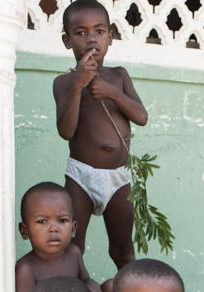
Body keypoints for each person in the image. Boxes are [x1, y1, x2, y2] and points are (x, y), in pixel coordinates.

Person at [54, 0, 148, 270]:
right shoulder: (63, 82)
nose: (91, 38)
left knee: (122, 248)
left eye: (98, 31)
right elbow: (66, 131)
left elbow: (141, 117)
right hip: (81, 176)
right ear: (67, 40)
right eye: (80, 33)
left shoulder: (119, 76)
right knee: (74, 247)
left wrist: (113, 93)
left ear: (111, 36)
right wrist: (77, 86)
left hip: (119, 177)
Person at [15, 182, 114, 292]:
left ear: (73, 228)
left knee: (112, 287)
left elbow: (84, 280)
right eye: (42, 221)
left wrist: (90, 283)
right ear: (25, 230)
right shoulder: (26, 268)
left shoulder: (74, 254)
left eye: (62, 220)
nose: (53, 228)